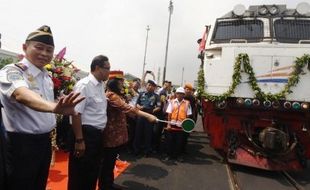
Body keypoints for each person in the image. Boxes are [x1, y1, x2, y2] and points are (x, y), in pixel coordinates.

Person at [0, 25, 84, 190]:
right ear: (25, 47)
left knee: (39, 183)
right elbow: (21, 94)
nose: (44, 53)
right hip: (21, 145)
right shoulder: (12, 70)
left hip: (44, 142)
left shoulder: (46, 77)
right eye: (39, 48)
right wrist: (54, 108)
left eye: (49, 50)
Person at [99, 72, 157, 190]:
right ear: (114, 82)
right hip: (111, 135)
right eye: (120, 82)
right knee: (107, 163)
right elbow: (128, 108)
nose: (122, 84)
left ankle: (108, 184)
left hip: (115, 135)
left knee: (110, 162)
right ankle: (104, 186)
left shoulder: (115, 95)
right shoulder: (111, 96)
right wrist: (147, 116)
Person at [68, 55, 110, 190]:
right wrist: (79, 140)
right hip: (85, 134)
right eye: (107, 68)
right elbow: (75, 113)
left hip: (96, 136)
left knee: (92, 173)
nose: (109, 71)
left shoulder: (100, 85)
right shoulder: (84, 85)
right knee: (80, 174)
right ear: (97, 68)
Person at [134, 79, 161, 156]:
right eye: (148, 85)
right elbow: (137, 104)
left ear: (154, 87)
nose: (149, 87)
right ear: (146, 86)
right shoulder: (141, 94)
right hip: (140, 116)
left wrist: (152, 111)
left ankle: (147, 151)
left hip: (149, 117)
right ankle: (136, 150)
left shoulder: (156, 96)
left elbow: (159, 107)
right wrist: (139, 107)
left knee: (148, 134)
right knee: (138, 133)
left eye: (152, 86)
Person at [164, 87, 192, 162]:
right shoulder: (172, 102)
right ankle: (168, 155)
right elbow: (169, 114)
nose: (180, 95)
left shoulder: (187, 103)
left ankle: (178, 156)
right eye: (178, 93)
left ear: (184, 95)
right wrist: (168, 124)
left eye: (181, 94)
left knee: (179, 142)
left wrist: (185, 125)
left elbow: (188, 116)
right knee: (169, 141)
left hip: (181, 126)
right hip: (172, 125)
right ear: (176, 94)